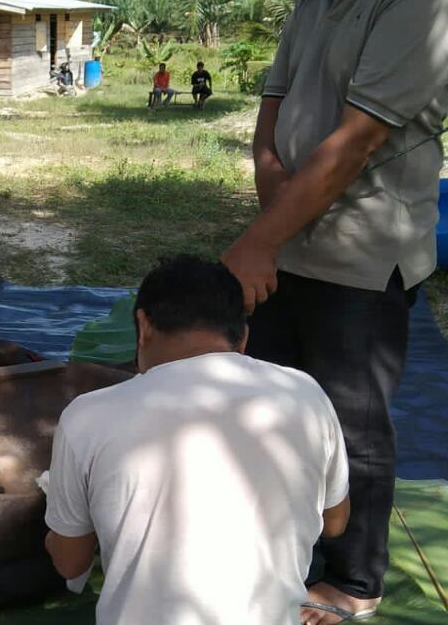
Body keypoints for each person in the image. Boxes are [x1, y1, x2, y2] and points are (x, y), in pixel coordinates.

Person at [219, 0, 448, 620]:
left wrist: (260, 240)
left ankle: (355, 580)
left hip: (364, 256)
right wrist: (270, 184)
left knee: (347, 424)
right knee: (268, 403)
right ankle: (276, 550)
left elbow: (358, 140)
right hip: (290, 235)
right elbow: (275, 99)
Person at [43, 255, 350, 625]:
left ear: (142, 327)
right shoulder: (304, 392)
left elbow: (69, 562)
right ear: (243, 339)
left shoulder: (88, 415)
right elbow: (335, 522)